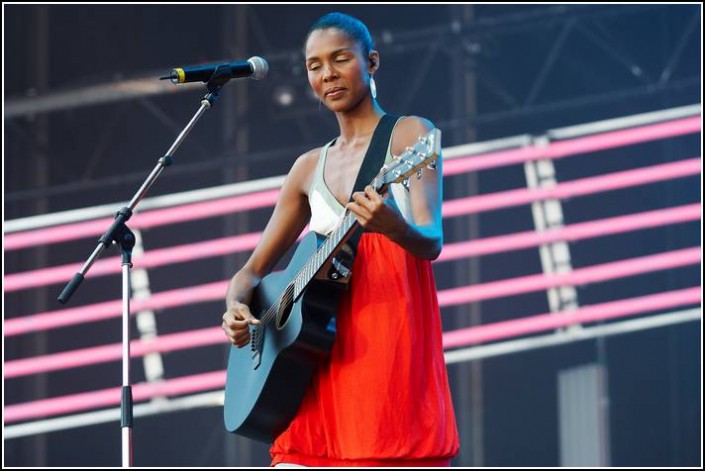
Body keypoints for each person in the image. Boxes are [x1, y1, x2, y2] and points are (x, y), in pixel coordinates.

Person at [222, 12, 459, 467]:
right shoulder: (307, 168)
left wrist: (394, 227)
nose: (326, 74)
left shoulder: (410, 136)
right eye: (314, 65)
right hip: (309, 364)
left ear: (371, 62)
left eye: (340, 59)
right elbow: (250, 272)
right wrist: (236, 307)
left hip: (383, 349)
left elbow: (432, 240)